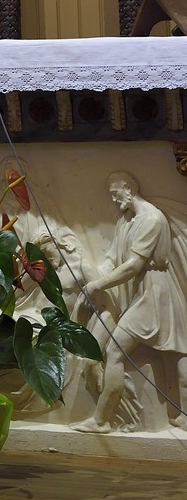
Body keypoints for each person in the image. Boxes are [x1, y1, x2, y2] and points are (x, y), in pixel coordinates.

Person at [75, 171, 187, 434]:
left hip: (156, 295)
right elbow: (113, 259)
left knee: (118, 351)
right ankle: (107, 420)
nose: (113, 200)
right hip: (142, 293)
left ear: (129, 188)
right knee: (175, 357)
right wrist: (90, 272)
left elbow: (134, 265)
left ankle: (101, 421)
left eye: (116, 193)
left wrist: (98, 285)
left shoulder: (152, 219)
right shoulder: (126, 221)